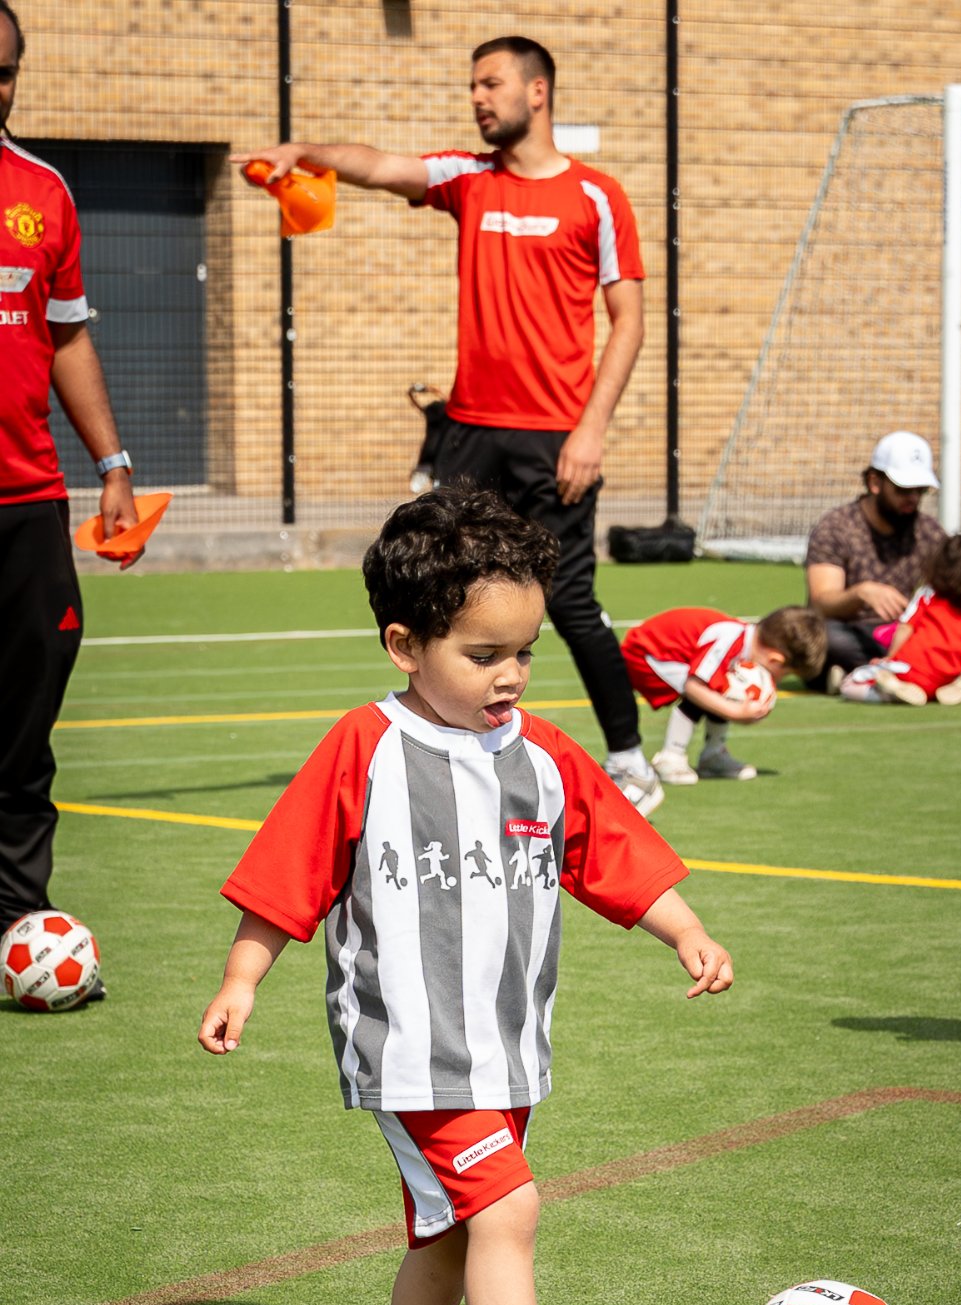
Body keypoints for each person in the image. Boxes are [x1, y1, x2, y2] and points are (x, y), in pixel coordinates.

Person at [198, 485, 733, 1305]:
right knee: (506, 1207)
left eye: (524, 652)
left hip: (506, 1043)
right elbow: (290, 871)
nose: (510, 675)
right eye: (483, 654)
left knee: (451, 1223)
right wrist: (242, 976)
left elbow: (610, 853)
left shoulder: (544, 755)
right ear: (405, 645)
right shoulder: (365, 747)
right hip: (410, 1045)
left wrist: (685, 929)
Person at [235, 35, 665, 815]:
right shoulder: (469, 179)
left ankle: (631, 760)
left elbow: (629, 322)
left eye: (491, 83)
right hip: (470, 432)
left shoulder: (596, 197)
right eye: (473, 85)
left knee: (567, 602)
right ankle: (439, 743)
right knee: (441, 587)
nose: (477, 97)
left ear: (537, 91)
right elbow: (380, 166)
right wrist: (305, 153)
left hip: (556, 438)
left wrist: (591, 430)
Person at [0, 0, 140, 956]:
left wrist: (113, 463)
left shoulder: (42, 190)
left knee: (24, 726)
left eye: (4, 71)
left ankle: (16, 920)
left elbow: (67, 335)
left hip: (27, 505)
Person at [801, 431, 947, 693]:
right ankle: (914, 673)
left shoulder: (928, 531)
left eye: (920, 490)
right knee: (820, 638)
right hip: (847, 631)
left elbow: (949, 592)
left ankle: (856, 676)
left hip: (901, 632)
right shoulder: (836, 527)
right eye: (903, 489)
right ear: (874, 482)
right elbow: (821, 602)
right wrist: (861, 593)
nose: (913, 498)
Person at [621, 603, 825, 785]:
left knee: (722, 687)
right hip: (646, 653)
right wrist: (736, 712)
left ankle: (713, 755)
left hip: (662, 654)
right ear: (775, 660)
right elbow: (694, 687)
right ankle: (671, 756)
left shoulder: (742, 642)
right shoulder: (730, 641)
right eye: (784, 674)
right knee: (705, 692)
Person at [837, 532, 961, 708]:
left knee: (850, 684)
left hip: (908, 672)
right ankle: (957, 682)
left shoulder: (929, 595)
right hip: (944, 678)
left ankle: (891, 692)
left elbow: (905, 627)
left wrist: (890, 659)